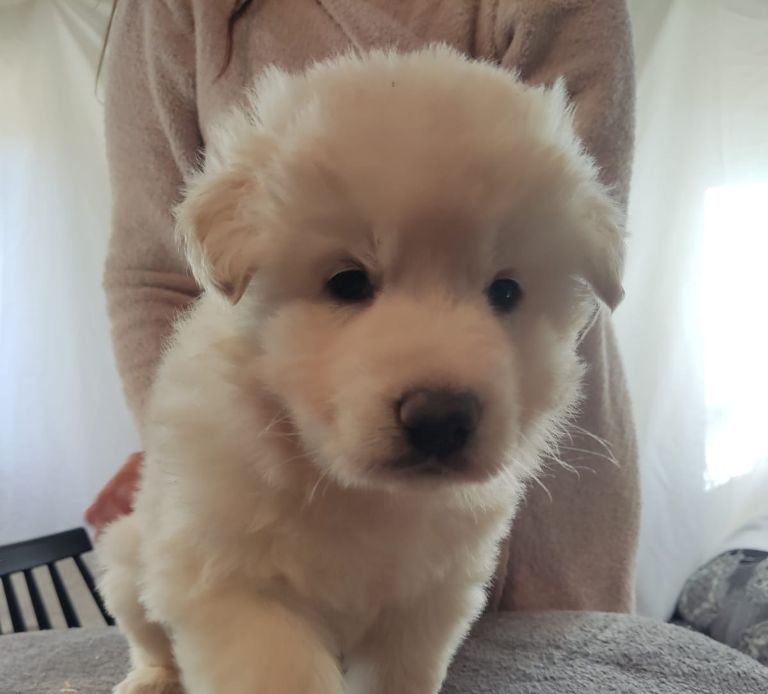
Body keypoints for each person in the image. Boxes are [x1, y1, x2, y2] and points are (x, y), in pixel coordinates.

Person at [87, 0, 640, 612]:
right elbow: (154, 275)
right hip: (271, 500)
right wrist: (191, 466)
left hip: (538, 516)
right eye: (349, 283)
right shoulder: (175, 12)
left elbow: (566, 241)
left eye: (498, 291)